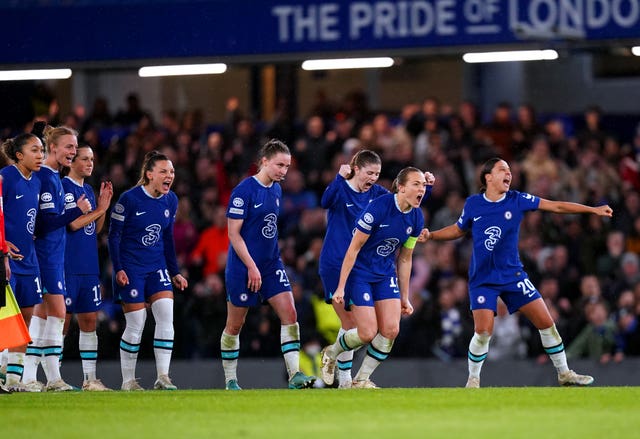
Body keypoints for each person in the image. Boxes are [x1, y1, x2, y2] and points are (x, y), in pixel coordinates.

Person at [424, 157, 613, 388]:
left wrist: (592, 210)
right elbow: (458, 229)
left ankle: (564, 373)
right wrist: (431, 235)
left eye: (510, 170)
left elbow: (556, 206)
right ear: (488, 177)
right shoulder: (473, 204)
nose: (509, 174)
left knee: (546, 322)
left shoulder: (517, 199)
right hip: (483, 279)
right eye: (503, 169)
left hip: (513, 275)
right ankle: (473, 380)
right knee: (483, 332)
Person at [220, 139, 316, 390]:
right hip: (243, 266)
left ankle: (295, 374)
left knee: (290, 313)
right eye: (280, 165)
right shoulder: (244, 190)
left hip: (271, 264)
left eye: (287, 166)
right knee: (235, 324)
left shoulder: (276, 189)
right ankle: (231, 379)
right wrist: (251, 266)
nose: (284, 171)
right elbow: (233, 234)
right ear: (264, 161)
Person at [320, 167, 428, 388]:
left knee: (391, 330)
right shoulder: (378, 208)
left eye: (424, 185)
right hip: (360, 273)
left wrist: (405, 297)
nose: (422, 189)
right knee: (367, 333)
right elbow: (353, 248)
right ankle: (331, 352)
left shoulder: (417, 217)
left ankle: (360, 380)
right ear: (401, 187)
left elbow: (405, 258)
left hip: (384, 273)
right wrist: (341, 287)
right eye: (416, 184)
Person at [108, 150, 188, 391]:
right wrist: (118, 268)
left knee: (166, 315)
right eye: (163, 171)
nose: (169, 176)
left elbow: (167, 238)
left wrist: (175, 271)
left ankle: (163, 377)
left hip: (157, 267)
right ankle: (128, 381)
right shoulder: (129, 199)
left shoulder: (171, 200)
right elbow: (114, 237)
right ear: (149, 174)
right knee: (136, 323)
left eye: (171, 172)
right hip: (131, 268)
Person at [317, 150, 389, 387]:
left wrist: (424, 189)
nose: (374, 178)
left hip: (359, 267)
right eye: (370, 172)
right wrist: (339, 178)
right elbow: (324, 201)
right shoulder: (341, 189)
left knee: (357, 326)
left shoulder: (377, 193)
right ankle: (345, 379)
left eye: (377, 174)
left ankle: (340, 369)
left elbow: (399, 203)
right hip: (335, 264)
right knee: (350, 324)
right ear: (356, 169)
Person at [28, 126, 92, 392]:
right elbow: (43, 224)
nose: (73, 152)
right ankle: (50, 377)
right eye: (68, 147)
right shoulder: (44, 177)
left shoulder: (53, 177)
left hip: (54, 255)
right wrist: (76, 211)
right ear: (52, 148)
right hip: (44, 256)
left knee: (43, 316)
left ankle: (31, 376)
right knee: (56, 313)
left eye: (74, 148)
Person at [62, 144, 113, 391]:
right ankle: (52, 376)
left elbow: (95, 228)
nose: (90, 163)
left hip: (89, 266)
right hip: (68, 266)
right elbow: (73, 224)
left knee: (90, 320)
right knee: (62, 321)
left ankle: (89, 379)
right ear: (71, 161)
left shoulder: (89, 190)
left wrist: (103, 206)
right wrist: (100, 210)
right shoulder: (65, 187)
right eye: (84, 159)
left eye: (92, 159)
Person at [0, 133, 44, 392]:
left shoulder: (36, 181)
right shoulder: (5, 177)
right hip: (6, 260)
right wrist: (3, 247)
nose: (41, 155)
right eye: (35, 150)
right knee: (5, 320)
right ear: (19, 155)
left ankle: (14, 380)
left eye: (42, 150)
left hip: (30, 259)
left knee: (25, 320)